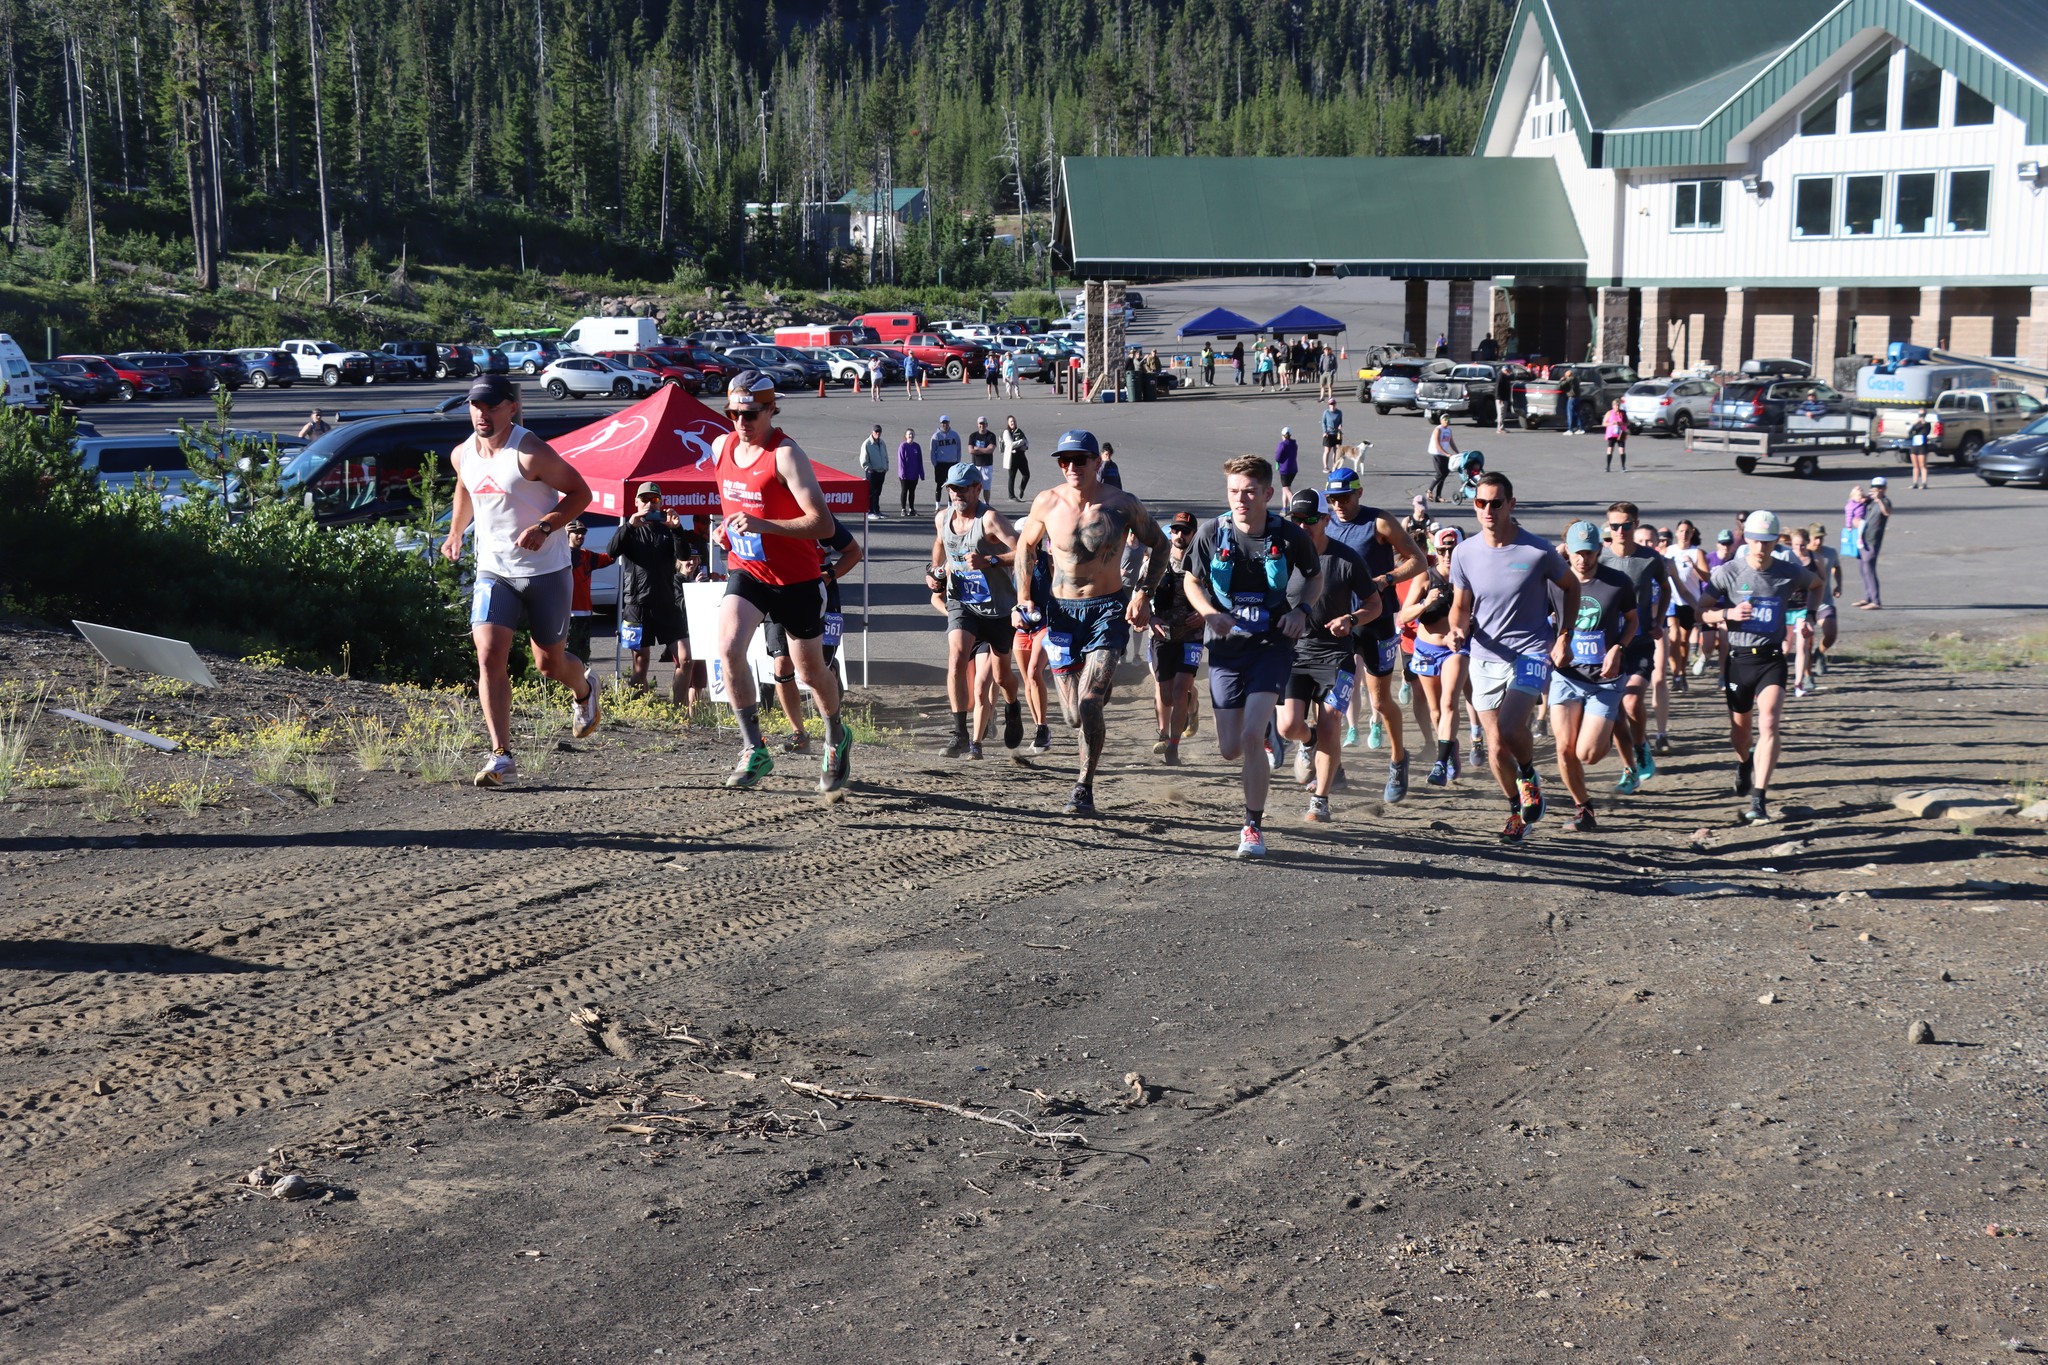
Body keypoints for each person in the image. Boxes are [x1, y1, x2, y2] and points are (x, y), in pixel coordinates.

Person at [440, 376, 600, 787]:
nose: (482, 414)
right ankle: (502, 757)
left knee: (549, 664)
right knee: (489, 655)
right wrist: (456, 532)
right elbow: (464, 488)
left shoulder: (529, 453)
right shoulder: (463, 454)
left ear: (511, 408)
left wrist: (546, 527)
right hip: (493, 571)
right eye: (476, 406)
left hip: (545, 571)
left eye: (491, 406)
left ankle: (584, 690)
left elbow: (581, 493)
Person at [711, 370, 853, 794]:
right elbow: (733, 508)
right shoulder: (722, 446)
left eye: (751, 413)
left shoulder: (786, 455)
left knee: (810, 673)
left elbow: (822, 523)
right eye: (734, 413)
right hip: (748, 570)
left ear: (771, 409)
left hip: (796, 580)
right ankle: (754, 747)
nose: (742, 421)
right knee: (728, 647)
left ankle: (835, 734)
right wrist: (725, 529)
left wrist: (763, 525)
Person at [1012, 429, 1168, 816]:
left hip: (1106, 610)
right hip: (1062, 614)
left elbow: (1160, 544)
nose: (1071, 467)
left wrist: (1143, 592)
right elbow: (1025, 546)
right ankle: (1093, 695)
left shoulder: (1122, 504)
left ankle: (1083, 786)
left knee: (1088, 704)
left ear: (1097, 461)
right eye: (1064, 460)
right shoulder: (1047, 502)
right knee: (1070, 716)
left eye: (1079, 459)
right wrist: (1023, 597)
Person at [1183, 454, 1323, 857]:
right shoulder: (1212, 532)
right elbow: (1192, 581)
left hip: (1272, 644)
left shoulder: (1289, 535)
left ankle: (1252, 828)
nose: (1239, 500)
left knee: (1250, 734)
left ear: (1267, 493)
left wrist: (1302, 611)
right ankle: (1259, 734)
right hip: (1226, 648)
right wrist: (1210, 612)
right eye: (1232, 492)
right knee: (1230, 748)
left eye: (1248, 492)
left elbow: (1314, 578)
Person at [1446, 470, 1579, 845]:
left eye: (1496, 502)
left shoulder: (1537, 550)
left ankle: (1528, 775)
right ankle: (1515, 811)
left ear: (1511, 505)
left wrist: (1564, 635)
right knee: (1494, 746)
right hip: (1485, 655)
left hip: (1532, 650)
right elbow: (1460, 605)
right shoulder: (1464, 552)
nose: (1488, 509)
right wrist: (1458, 629)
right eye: (1480, 502)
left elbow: (1572, 587)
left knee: (1508, 727)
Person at [1701, 509, 1822, 824]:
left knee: (1768, 723)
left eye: (1767, 542)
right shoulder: (1728, 572)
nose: (1761, 548)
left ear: (1775, 542)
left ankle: (1758, 799)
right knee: (1741, 732)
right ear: (1746, 539)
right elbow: (1701, 612)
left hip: (1771, 658)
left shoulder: (1788, 571)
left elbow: (1817, 584)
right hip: (1739, 660)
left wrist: (1810, 616)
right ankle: (1743, 762)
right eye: (1755, 540)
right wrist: (1726, 614)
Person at [1323, 466, 1426, 800]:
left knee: (1380, 701)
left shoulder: (1378, 522)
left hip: (1376, 619)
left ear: (1359, 493)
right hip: (1338, 620)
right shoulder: (1324, 524)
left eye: (1344, 497)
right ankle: (1333, 768)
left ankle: (1398, 758)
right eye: (1332, 498)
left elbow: (1418, 561)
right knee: (1330, 699)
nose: (1338, 504)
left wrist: (1386, 580)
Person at [1276, 489, 1375, 824]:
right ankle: (1309, 739)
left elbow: (1374, 604)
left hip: (1336, 655)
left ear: (1326, 520)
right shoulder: (1281, 558)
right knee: (1290, 726)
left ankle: (1320, 800)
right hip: (1293, 653)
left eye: (1311, 519)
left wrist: (1352, 619)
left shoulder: (1346, 558)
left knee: (1331, 720)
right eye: (1297, 519)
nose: (1303, 525)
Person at [1548, 520, 1639, 833]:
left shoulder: (1617, 582)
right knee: (1563, 749)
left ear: (1600, 549)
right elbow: (1539, 620)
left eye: (1589, 552)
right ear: (1568, 551)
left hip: (1605, 679)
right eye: (1577, 552)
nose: (1582, 559)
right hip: (1567, 675)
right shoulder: (1555, 582)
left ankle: (1610, 725)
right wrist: (1557, 640)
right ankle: (1583, 809)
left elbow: (1632, 620)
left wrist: (1618, 648)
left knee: (1587, 754)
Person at [928, 463, 1022, 758]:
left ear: (977, 489)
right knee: (956, 655)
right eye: (952, 488)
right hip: (962, 602)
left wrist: (990, 561)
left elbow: (1025, 553)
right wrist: (933, 572)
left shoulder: (990, 519)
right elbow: (939, 545)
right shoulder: (943, 517)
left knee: (1003, 675)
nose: (956, 494)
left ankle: (1012, 705)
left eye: (962, 488)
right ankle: (959, 733)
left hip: (998, 609)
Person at [1600, 500, 1684, 791]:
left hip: (1640, 642)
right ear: (1608, 526)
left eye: (1626, 525)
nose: (1620, 531)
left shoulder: (1650, 559)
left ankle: (1641, 746)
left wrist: (1659, 620)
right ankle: (1629, 768)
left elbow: (1666, 588)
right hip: (1608, 646)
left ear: (1635, 525)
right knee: (1615, 712)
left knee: (1632, 699)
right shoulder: (1601, 559)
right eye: (1614, 526)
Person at [772, 517, 861, 754]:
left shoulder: (820, 518)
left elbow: (854, 552)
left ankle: (834, 733)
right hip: (778, 592)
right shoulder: (768, 515)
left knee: (817, 669)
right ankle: (798, 733)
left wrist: (829, 574)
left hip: (820, 595)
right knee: (781, 665)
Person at [1397, 526, 1468, 784]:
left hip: (1456, 650)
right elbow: (1403, 616)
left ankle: (1440, 761)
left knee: (1449, 702)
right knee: (1436, 711)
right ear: (1435, 552)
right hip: (1427, 649)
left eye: (1452, 549)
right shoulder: (1426, 577)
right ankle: (1451, 751)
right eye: (1442, 550)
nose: (1448, 554)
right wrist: (1426, 603)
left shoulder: (1469, 578)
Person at [611, 483, 692, 701]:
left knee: (685, 659)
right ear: (636, 502)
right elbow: (612, 551)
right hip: (637, 606)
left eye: (654, 499)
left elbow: (684, 556)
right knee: (641, 664)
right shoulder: (630, 529)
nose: (649, 503)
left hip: (667, 604)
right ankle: (641, 712)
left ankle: (679, 712)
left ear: (660, 503)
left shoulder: (667, 528)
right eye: (644, 499)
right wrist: (629, 525)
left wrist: (677, 530)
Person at [1147, 511, 1205, 764]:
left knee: (1180, 689)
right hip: (1162, 635)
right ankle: (1191, 708)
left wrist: (1204, 613)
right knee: (1166, 693)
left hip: (1192, 635)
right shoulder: (1156, 561)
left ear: (1194, 534)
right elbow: (1140, 594)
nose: (1180, 535)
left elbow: (1218, 594)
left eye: (1186, 531)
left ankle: (1171, 745)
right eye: (1176, 530)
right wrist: (1150, 618)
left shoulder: (1203, 561)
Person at [564, 521, 612, 664]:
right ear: (568, 534)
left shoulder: (587, 555)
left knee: (583, 655)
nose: (580, 536)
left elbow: (610, 557)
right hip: (568, 613)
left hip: (585, 613)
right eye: (577, 532)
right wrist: (560, 534)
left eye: (583, 533)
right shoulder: (561, 554)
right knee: (567, 655)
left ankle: (581, 684)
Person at [1804, 520, 1842, 672]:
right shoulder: (1802, 554)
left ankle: (1819, 654)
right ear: (1809, 538)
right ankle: (1807, 676)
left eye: (1821, 538)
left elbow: (1837, 567)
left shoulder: (1830, 553)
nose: (1818, 541)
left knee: (1831, 634)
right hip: (1805, 604)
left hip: (1824, 601)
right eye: (1815, 538)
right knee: (1807, 640)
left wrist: (1839, 584)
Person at [1852, 477, 1891, 609]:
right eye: (1875, 487)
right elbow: (1854, 506)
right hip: (1862, 540)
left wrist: (1879, 499)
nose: (1877, 490)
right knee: (1862, 569)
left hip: (1873, 540)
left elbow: (1887, 512)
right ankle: (1867, 597)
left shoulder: (1885, 501)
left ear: (1884, 489)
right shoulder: (1869, 501)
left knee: (1869, 568)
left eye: (1880, 488)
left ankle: (1875, 601)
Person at [929, 416, 963, 509]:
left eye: (946, 423)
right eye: (943, 423)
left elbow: (959, 448)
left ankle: (950, 505)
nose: (945, 425)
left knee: (951, 485)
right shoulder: (936, 436)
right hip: (941, 464)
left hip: (952, 464)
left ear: (949, 423)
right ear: (940, 424)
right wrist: (935, 464)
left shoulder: (955, 435)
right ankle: (937, 506)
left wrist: (957, 461)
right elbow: (932, 451)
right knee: (939, 485)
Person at [859, 423, 889, 520]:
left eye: (879, 431)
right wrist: (869, 468)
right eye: (876, 431)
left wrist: (886, 467)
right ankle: (870, 511)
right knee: (872, 492)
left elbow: (885, 456)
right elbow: (863, 459)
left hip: (881, 471)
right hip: (872, 472)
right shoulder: (867, 443)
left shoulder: (882, 443)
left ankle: (877, 510)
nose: (878, 433)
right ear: (872, 432)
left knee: (878, 492)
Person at [1426, 412, 1459, 502]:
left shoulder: (1449, 430)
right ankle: (1429, 490)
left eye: (1448, 419)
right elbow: (1437, 444)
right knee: (1440, 473)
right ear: (1441, 421)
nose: (1447, 421)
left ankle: (1438, 496)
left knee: (1445, 474)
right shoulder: (1438, 430)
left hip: (1444, 454)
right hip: (1437, 453)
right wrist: (1446, 454)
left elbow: (1451, 442)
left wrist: (1457, 452)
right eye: (1445, 419)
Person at [999, 416, 1031, 503]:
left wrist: (1025, 447)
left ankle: (1022, 487)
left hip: (1021, 456)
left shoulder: (1019, 431)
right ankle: (1011, 495)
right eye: (1011, 421)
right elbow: (1010, 444)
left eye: (1014, 421)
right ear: (1008, 423)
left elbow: (1026, 441)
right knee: (1012, 476)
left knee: (1026, 474)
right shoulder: (1006, 432)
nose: (1013, 423)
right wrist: (1021, 442)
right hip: (1012, 457)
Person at [894, 428, 923, 517]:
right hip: (905, 475)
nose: (911, 436)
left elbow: (920, 460)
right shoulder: (903, 446)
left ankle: (911, 509)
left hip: (914, 474)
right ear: (906, 436)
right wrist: (902, 473)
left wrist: (921, 473)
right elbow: (901, 461)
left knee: (912, 492)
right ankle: (903, 509)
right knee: (904, 491)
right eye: (909, 434)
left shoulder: (917, 446)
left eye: (912, 434)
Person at [966, 416, 999, 492]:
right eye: (980, 424)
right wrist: (985, 450)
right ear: (977, 425)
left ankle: (986, 503)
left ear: (987, 425)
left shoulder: (991, 436)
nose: (982, 426)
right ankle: (975, 502)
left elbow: (990, 450)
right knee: (974, 487)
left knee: (986, 488)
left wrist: (977, 448)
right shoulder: (973, 436)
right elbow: (971, 450)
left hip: (987, 465)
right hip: (976, 465)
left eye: (984, 424)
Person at [1906, 408, 1933, 489]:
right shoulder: (1916, 425)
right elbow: (1910, 434)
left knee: (1923, 465)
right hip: (1915, 446)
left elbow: (1926, 432)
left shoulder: (1927, 424)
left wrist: (1922, 422)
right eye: (1920, 415)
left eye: (1923, 415)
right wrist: (1914, 425)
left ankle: (1924, 483)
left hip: (1922, 446)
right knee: (1915, 466)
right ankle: (1915, 483)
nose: (1921, 416)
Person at [1319, 398, 1345, 475]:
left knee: (1336, 451)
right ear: (1328, 405)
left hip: (1337, 434)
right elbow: (1323, 423)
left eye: (1333, 404)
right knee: (1327, 451)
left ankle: (1335, 466)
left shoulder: (1339, 412)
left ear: (1335, 404)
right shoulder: (1326, 412)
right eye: (1330, 404)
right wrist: (1324, 431)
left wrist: (1340, 426)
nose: (1332, 406)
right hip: (1328, 433)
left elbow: (1340, 421)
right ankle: (1326, 467)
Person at [1603, 399, 1628, 472]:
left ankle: (1623, 467)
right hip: (1612, 434)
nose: (1617, 407)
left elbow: (1627, 423)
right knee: (1610, 449)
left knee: (1621, 450)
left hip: (1621, 433)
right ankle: (1608, 467)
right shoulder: (1609, 413)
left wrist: (1621, 423)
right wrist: (1612, 423)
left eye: (1618, 405)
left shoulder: (1622, 413)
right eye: (1615, 405)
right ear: (1613, 406)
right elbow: (1604, 423)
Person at [1273, 426, 1299, 494]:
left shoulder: (1283, 444)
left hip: (1285, 469)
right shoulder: (1294, 444)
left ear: (1282, 435)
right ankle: (1284, 504)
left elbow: (1277, 457)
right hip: (1293, 468)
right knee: (1286, 487)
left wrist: (1277, 461)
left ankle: (1293, 502)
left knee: (1286, 488)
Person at [1493, 367, 1515, 435]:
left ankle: (1501, 427)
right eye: (1508, 371)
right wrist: (1499, 398)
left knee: (1503, 413)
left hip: (1504, 398)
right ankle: (1500, 428)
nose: (1508, 372)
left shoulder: (1504, 376)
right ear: (1504, 370)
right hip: (1501, 399)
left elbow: (1512, 377)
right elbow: (1498, 388)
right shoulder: (1501, 377)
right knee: (1501, 413)